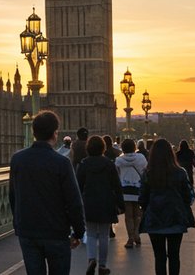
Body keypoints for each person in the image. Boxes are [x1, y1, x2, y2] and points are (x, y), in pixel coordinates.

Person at [10, 110, 85, 275]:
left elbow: (13, 196)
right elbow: (74, 202)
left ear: (33, 132)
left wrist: (18, 224)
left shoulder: (17, 160)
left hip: (28, 231)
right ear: (55, 133)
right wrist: (79, 232)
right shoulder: (62, 163)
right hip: (56, 232)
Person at [139, 137, 194, 275]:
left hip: (155, 217)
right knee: (174, 256)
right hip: (175, 217)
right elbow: (189, 196)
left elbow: (142, 198)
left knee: (159, 257)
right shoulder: (180, 172)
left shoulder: (148, 173)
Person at [77, 135, 122, 275]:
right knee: (103, 235)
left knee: (90, 233)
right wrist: (120, 204)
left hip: (89, 201)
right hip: (106, 201)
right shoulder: (109, 164)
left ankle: (91, 259)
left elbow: (78, 186)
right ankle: (102, 265)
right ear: (103, 148)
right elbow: (116, 185)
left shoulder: (83, 164)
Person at [115, 138, 148, 248]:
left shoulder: (119, 161)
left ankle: (130, 238)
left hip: (125, 189)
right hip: (138, 188)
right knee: (138, 213)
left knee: (128, 215)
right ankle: (136, 234)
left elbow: (117, 174)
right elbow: (145, 171)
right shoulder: (141, 158)